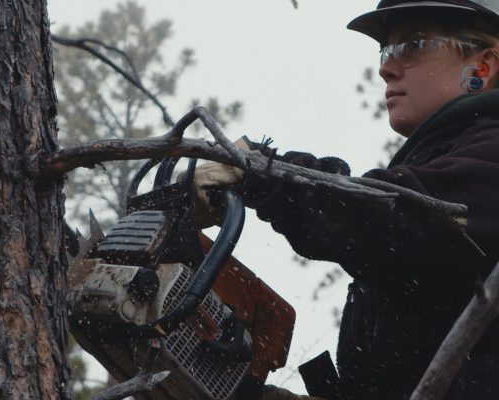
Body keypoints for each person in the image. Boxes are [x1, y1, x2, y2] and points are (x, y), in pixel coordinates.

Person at [191, 1, 499, 399]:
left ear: (482, 67)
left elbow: (398, 219)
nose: (386, 68)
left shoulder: (490, 156)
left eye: (413, 45)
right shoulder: (448, 164)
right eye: (387, 52)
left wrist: (262, 172)